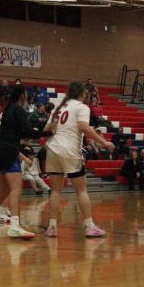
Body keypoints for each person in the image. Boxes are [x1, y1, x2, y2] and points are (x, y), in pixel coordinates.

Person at [0, 84, 52, 239]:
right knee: (16, 188)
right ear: (22, 96)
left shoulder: (6, 110)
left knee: (3, 191)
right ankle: (15, 226)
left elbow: (21, 132)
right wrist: (49, 132)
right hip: (8, 152)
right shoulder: (18, 110)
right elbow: (28, 132)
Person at [44, 81, 115, 238]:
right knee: (81, 190)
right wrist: (104, 142)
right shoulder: (82, 107)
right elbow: (84, 127)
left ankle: (52, 227)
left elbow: (46, 131)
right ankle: (89, 226)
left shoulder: (58, 108)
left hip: (53, 149)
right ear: (82, 94)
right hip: (69, 150)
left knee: (55, 190)